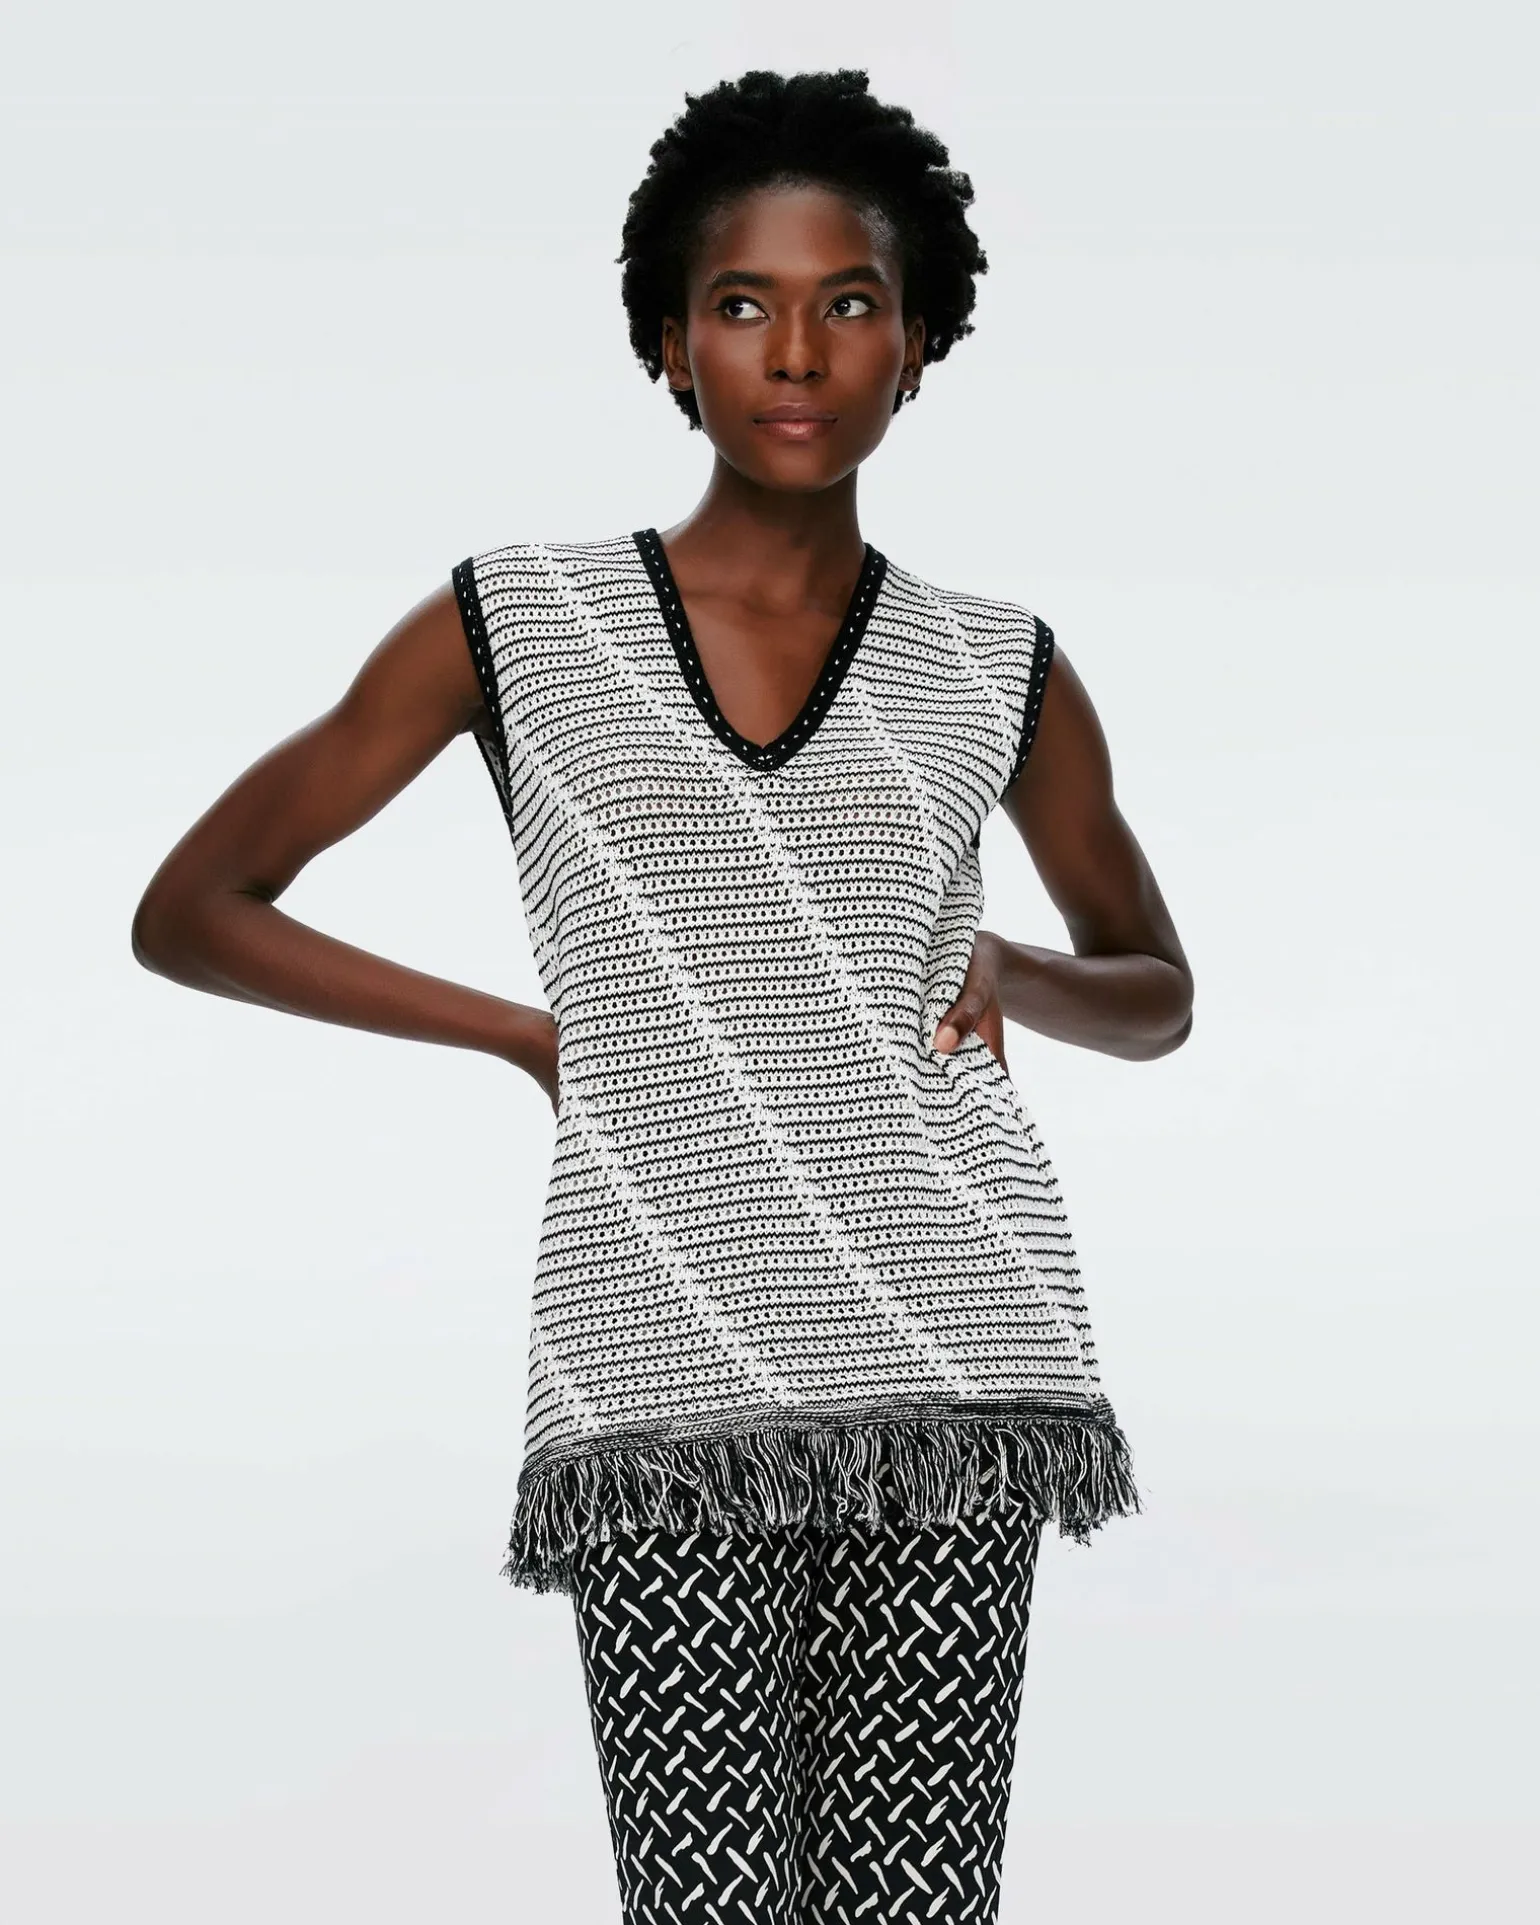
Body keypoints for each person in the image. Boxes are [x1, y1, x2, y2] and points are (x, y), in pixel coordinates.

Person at [133, 66, 1193, 1925]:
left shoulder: (998, 662)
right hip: (659, 1347)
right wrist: (525, 1033)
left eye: (850, 303)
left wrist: (1017, 966)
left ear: (920, 343)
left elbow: (1159, 991)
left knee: (917, 1905)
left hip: (955, 1346)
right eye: (742, 304)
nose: (797, 352)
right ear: (667, 344)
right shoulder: (515, 621)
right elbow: (194, 909)